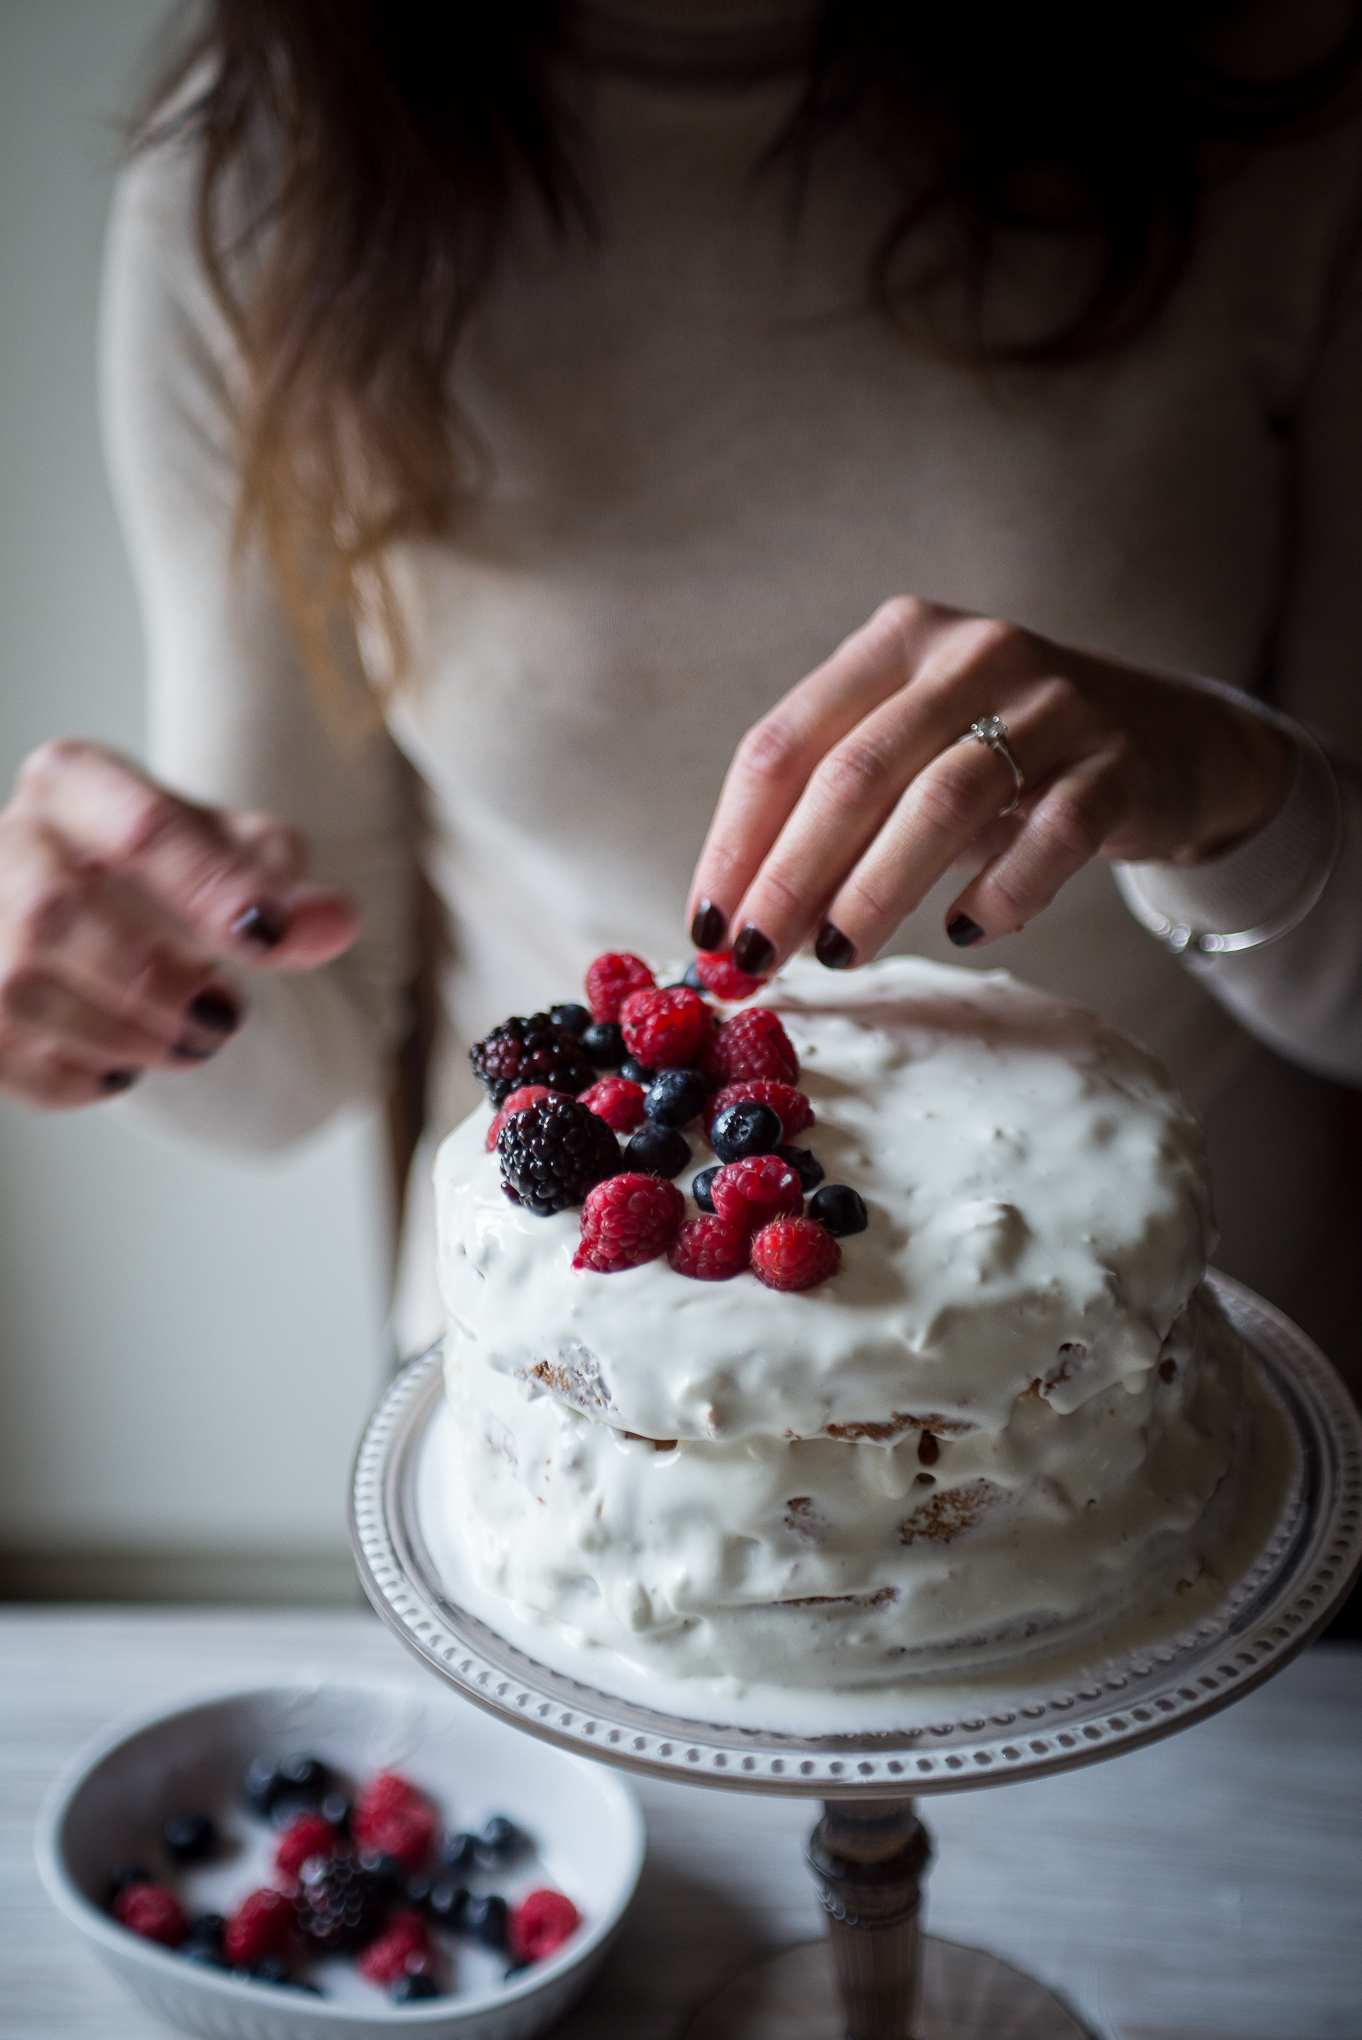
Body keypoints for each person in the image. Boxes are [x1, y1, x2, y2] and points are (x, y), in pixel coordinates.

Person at [0, 0, 1359, 1374]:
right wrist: (127, 982)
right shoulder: (274, 147)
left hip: (1198, 1365)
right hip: (590, 1376)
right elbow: (295, 1043)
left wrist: (1228, 789)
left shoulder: (1286, 78)